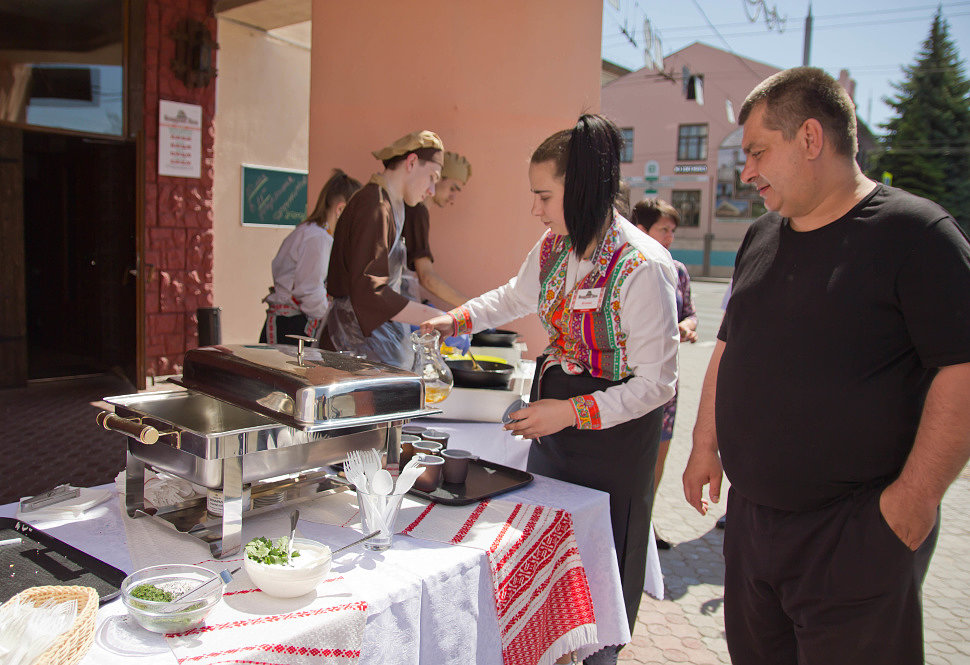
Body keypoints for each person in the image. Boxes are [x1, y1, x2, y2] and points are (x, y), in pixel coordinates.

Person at [683, 66, 970, 665]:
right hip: (753, 528)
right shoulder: (761, 235)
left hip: (858, 533)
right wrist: (705, 445)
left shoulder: (917, 234)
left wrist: (913, 501)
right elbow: (730, 345)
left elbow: (962, 369)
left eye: (758, 151)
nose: (747, 171)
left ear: (811, 138)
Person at [421, 114, 679, 665]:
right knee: (547, 547)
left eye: (543, 196)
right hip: (555, 424)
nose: (535, 209)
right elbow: (514, 297)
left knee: (602, 559)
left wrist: (568, 412)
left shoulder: (642, 265)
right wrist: (457, 319)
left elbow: (657, 384)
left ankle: (599, 655)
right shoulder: (554, 246)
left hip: (613, 438)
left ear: (581, 189)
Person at [320, 131, 447, 367]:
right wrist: (436, 318)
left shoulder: (393, 205)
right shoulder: (375, 206)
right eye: (432, 177)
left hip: (372, 343)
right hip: (352, 346)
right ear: (411, 162)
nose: (431, 190)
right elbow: (369, 291)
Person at [630, 198, 697, 550]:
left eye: (673, 230)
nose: (670, 237)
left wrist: (687, 326)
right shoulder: (629, 267)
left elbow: (691, 314)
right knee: (632, 453)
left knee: (660, 449)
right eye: (664, 230)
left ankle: (645, 521)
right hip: (629, 381)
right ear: (641, 230)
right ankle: (627, 523)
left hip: (667, 382)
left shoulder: (678, 270)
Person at [259, 169, 362, 345]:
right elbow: (309, 291)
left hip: (292, 323)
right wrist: (334, 322)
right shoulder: (318, 238)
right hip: (291, 327)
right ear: (340, 209)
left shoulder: (313, 232)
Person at [401, 151, 472, 308]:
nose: (453, 198)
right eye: (452, 188)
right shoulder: (416, 211)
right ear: (437, 178)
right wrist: (474, 308)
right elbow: (427, 278)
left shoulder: (418, 211)